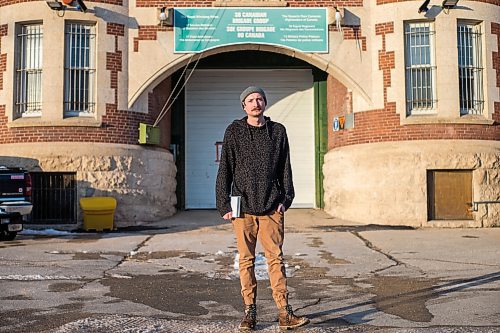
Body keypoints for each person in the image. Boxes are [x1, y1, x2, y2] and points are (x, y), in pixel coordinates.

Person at [215, 86, 310, 331]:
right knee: (246, 261)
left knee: (275, 259)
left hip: (271, 207)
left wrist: (286, 199)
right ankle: (250, 312)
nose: (255, 103)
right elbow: (225, 167)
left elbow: (284, 169)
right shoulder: (234, 131)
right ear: (244, 106)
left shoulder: (278, 132)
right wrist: (223, 203)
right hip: (242, 208)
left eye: (259, 99)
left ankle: (284, 313)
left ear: (265, 103)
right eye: (250, 100)